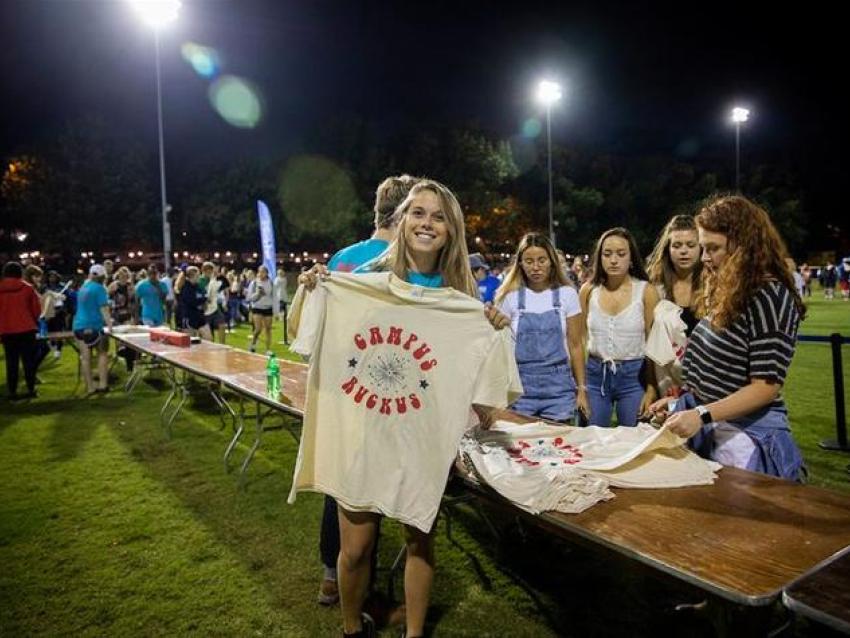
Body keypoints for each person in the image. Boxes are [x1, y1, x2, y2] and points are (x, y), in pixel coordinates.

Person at [298, 178, 510, 638]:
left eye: (438, 217)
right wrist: (316, 290)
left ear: (451, 230)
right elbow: (314, 343)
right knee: (355, 548)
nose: (427, 223)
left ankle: (415, 633)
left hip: (421, 436)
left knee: (420, 538)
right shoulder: (363, 282)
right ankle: (352, 629)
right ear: (401, 220)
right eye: (418, 213)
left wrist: (491, 327)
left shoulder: (462, 300)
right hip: (364, 430)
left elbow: (477, 386)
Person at [306, 174, 418, 609]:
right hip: (399, 391)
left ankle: (334, 576)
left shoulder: (341, 260)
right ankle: (384, 569)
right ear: (405, 211)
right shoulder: (411, 261)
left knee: (344, 488)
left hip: (347, 390)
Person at [648, 195, 806, 480]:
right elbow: (721, 371)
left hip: (747, 437)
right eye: (704, 247)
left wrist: (701, 415)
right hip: (717, 428)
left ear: (744, 245)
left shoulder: (770, 295)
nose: (705, 258)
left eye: (713, 248)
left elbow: (765, 387)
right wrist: (682, 402)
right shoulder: (731, 288)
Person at [495, 232, 587, 423]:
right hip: (520, 388)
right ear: (520, 263)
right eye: (529, 261)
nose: (535, 267)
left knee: (560, 447)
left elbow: (576, 345)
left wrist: (581, 390)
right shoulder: (509, 297)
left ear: (552, 262)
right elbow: (500, 349)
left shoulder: (567, 295)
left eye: (541, 260)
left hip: (559, 389)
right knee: (523, 448)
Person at [579, 228, 659, 426]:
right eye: (607, 254)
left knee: (634, 440)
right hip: (596, 375)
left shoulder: (646, 291)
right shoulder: (588, 290)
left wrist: (651, 387)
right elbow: (578, 341)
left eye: (621, 254)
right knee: (591, 439)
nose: (614, 260)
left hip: (634, 376)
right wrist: (580, 386)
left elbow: (654, 343)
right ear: (600, 257)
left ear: (631, 258)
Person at [645, 214, 703, 398]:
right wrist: (651, 388)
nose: (684, 251)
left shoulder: (715, 287)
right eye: (677, 245)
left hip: (707, 385)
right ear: (667, 249)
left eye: (690, 245)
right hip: (667, 386)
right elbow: (649, 343)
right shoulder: (655, 290)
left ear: (701, 248)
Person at [0, 261, 42, 399]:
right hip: (27, 329)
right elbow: (36, 310)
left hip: (7, 330)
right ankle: (30, 389)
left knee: (11, 362)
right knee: (28, 361)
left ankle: (12, 391)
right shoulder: (28, 288)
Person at [72, 264, 112, 395]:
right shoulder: (99, 289)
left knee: (85, 358)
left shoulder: (83, 288)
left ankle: (90, 387)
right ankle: (103, 384)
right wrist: (110, 325)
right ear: (102, 276)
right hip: (94, 325)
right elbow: (103, 309)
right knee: (102, 353)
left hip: (78, 326)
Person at [109, 266, 138, 371]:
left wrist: (135, 318)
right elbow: (108, 300)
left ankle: (129, 364)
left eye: (125, 276)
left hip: (128, 316)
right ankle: (122, 358)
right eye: (121, 275)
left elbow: (135, 303)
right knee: (120, 341)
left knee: (129, 341)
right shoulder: (113, 286)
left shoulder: (131, 287)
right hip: (116, 316)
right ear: (118, 275)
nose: (123, 278)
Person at [247, 265, 274, 353]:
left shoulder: (271, 282)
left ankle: (268, 349)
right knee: (258, 328)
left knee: (268, 329)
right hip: (257, 307)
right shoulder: (254, 283)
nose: (261, 274)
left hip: (268, 307)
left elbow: (274, 297)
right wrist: (258, 294)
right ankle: (253, 344)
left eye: (263, 272)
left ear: (266, 273)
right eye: (259, 272)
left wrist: (276, 311)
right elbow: (249, 297)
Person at [176, 266, 209, 337]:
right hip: (189, 317)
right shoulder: (186, 288)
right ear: (192, 276)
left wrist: (204, 301)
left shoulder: (197, 287)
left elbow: (203, 296)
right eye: (197, 276)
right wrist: (204, 299)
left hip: (200, 315)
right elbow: (192, 301)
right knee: (191, 341)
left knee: (208, 337)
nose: (199, 277)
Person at [201, 262, 227, 343]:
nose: (210, 273)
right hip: (205, 310)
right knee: (210, 336)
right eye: (209, 272)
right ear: (204, 271)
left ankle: (223, 346)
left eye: (211, 272)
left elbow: (220, 292)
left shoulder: (214, 280)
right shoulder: (200, 281)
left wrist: (223, 302)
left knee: (222, 325)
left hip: (215, 308)